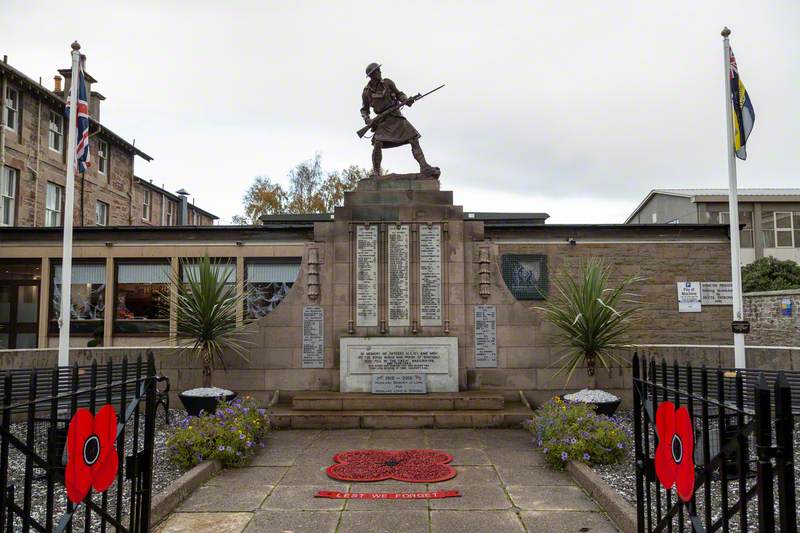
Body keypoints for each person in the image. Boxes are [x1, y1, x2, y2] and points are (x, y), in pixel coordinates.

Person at [360, 63, 440, 178]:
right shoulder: (366, 92)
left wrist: (406, 100)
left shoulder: (388, 83)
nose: (380, 72)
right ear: (373, 74)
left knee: (413, 138)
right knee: (378, 143)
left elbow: (399, 94)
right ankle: (376, 172)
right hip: (382, 121)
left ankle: (424, 166)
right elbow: (364, 109)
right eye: (378, 71)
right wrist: (368, 120)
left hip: (396, 116)